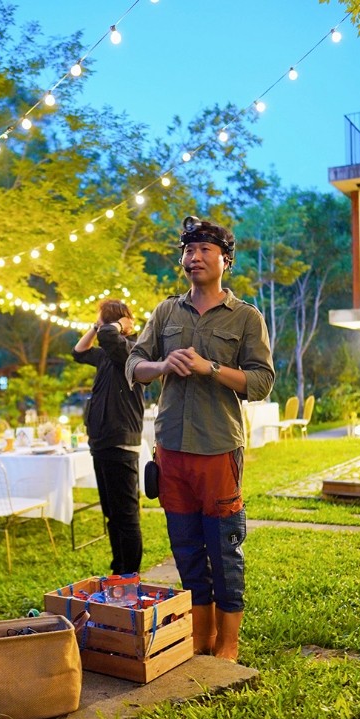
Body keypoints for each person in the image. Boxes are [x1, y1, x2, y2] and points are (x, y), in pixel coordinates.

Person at [126, 215, 274, 661]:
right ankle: (200, 636)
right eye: (188, 250)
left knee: (224, 552)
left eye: (205, 249)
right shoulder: (165, 312)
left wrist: (211, 368)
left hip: (218, 448)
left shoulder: (246, 317)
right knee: (186, 549)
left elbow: (262, 381)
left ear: (225, 260)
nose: (194, 257)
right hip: (170, 447)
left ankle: (228, 643)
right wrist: (162, 365)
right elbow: (134, 364)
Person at [73, 299, 145, 575]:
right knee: (112, 514)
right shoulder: (106, 353)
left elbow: (108, 336)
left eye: (101, 320)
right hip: (101, 440)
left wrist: (117, 325)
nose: (99, 326)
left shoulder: (130, 350)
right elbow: (79, 352)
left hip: (120, 440)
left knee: (126, 515)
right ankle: (119, 571)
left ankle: (130, 574)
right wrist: (95, 327)